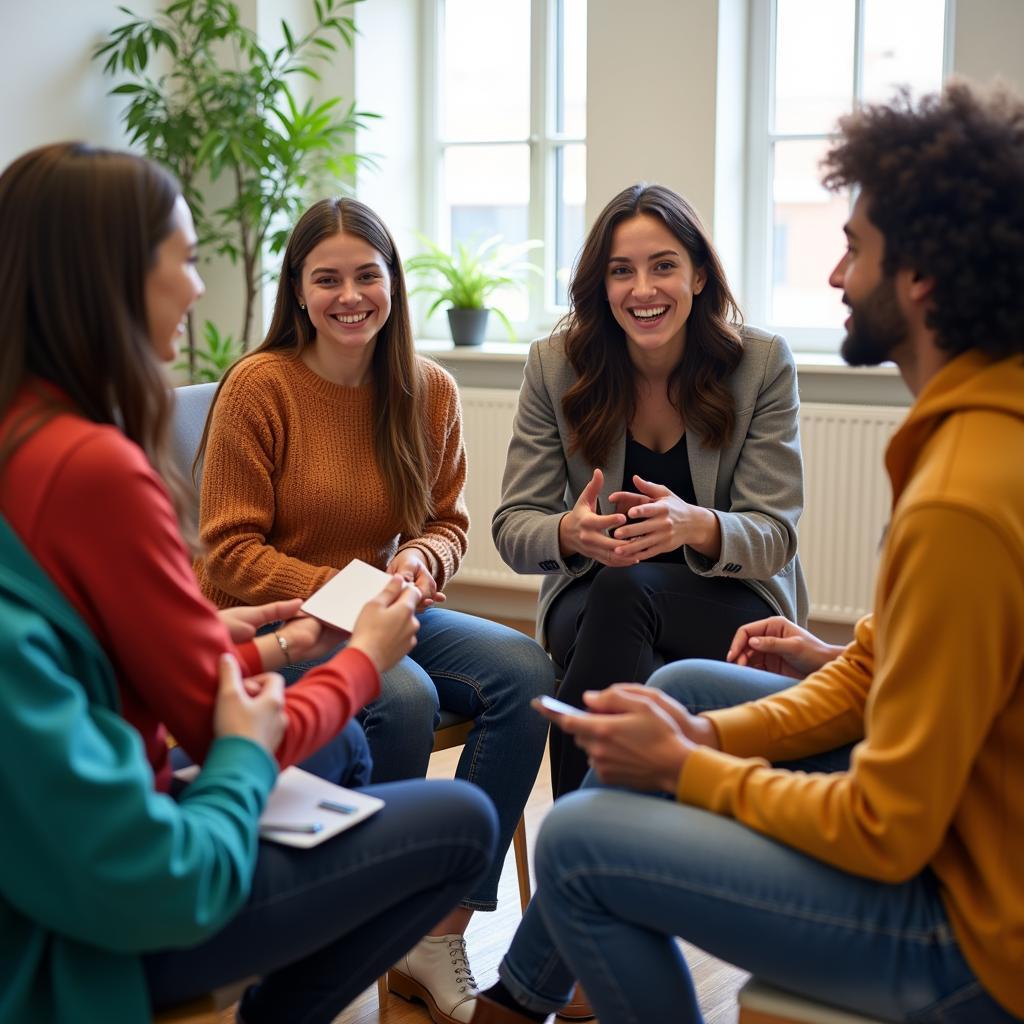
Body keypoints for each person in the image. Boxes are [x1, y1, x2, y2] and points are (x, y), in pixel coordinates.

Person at [472, 82, 1024, 1024]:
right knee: (668, 681)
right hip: (959, 853)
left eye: (854, 248)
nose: (836, 277)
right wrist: (701, 731)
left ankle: (528, 989)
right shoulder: (973, 444)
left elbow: (885, 829)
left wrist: (690, 769)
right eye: (620, 270)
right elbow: (876, 676)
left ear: (921, 276)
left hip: (972, 930)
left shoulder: (961, 494)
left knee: (576, 843)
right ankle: (540, 982)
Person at [0, 141, 498, 1024]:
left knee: (370, 737)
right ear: (108, 274)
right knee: (456, 813)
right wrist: (357, 648)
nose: (197, 289)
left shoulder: (26, 434)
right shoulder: (100, 467)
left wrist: (260, 636)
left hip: (58, 844)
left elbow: (85, 650)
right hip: (118, 899)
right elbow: (215, 714)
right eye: (185, 261)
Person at [191, 196, 553, 1023]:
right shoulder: (261, 386)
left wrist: (425, 558)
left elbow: (447, 521)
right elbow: (230, 552)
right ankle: (353, 919)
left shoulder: (428, 389)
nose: (350, 295)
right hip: (277, 615)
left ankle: (438, 926)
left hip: (380, 603)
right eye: (328, 279)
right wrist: (350, 597)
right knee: (404, 696)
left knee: (526, 670)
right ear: (298, 290)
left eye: (367, 275)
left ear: (392, 282)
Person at [492, 183, 808, 797]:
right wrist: (569, 532)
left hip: (731, 601)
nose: (642, 290)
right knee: (619, 592)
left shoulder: (761, 364)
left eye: (663, 266)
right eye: (621, 272)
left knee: (626, 600)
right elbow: (512, 527)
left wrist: (696, 525)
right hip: (594, 599)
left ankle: (581, 842)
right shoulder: (555, 365)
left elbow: (776, 536)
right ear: (601, 286)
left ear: (697, 276)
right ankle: (609, 843)